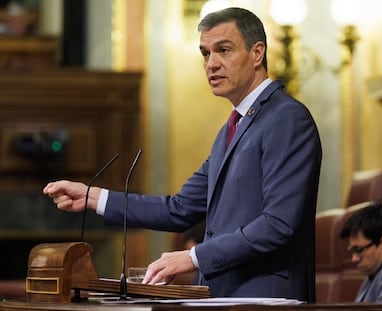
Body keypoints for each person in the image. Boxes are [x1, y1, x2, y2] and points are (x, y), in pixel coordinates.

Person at [43, 7, 322, 301]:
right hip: (227, 296)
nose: (211, 64)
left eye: (223, 50)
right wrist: (93, 197)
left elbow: (278, 225)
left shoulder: (286, 117)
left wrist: (193, 258)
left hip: (268, 298)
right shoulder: (233, 129)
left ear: (257, 53)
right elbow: (179, 208)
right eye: (205, 53)